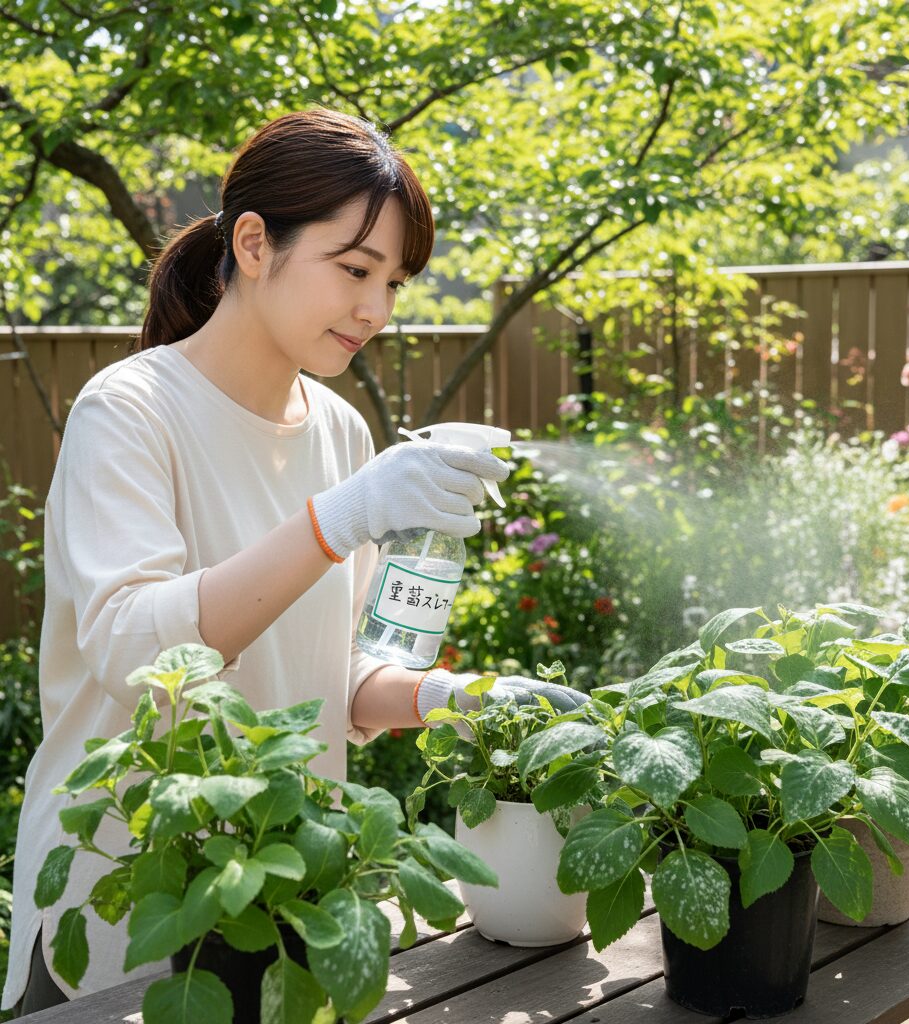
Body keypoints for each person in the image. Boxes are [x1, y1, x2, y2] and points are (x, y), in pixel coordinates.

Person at [2, 108, 585, 1016]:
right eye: (354, 269)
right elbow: (137, 654)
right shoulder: (129, 411)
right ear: (253, 244)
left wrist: (459, 699)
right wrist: (342, 517)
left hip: (281, 895)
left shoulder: (341, 431)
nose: (376, 310)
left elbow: (333, 676)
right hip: (131, 898)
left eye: (394, 282)